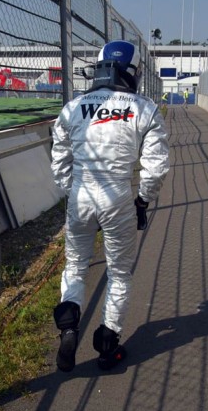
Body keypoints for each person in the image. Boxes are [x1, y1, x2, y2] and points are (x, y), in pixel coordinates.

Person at [50, 40, 170, 372]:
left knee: (75, 267)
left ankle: (69, 325)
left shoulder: (74, 107)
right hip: (117, 196)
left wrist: (70, 191)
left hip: (81, 193)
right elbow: (155, 167)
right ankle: (107, 345)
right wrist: (143, 199)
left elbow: (59, 160)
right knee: (118, 273)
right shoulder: (145, 108)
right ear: (132, 71)